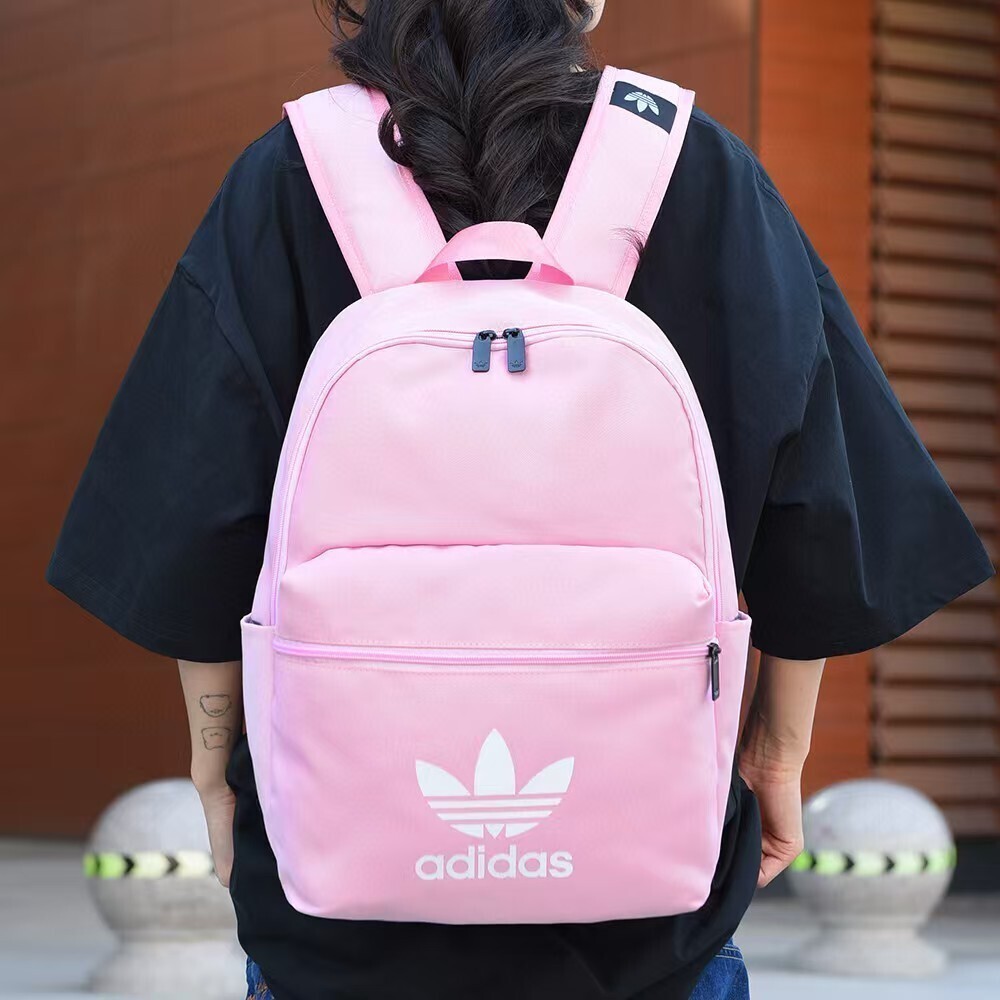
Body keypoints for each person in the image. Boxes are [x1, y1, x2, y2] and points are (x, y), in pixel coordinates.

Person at [47, 2, 993, 998]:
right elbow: (820, 505)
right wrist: (777, 751)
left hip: (336, 925)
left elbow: (196, 514)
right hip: (649, 927)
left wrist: (216, 763)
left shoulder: (289, 176)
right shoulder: (693, 167)